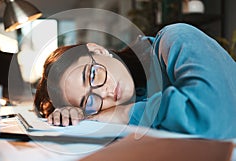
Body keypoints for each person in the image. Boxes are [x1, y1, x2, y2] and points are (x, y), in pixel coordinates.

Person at [34, 23, 236, 139]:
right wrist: (75, 117)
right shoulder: (136, 95)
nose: (103, 93)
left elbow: (211, 118)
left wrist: (123, 113)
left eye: (93, 75)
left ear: (99, 50)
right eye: (89, 101)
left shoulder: (176, 37)